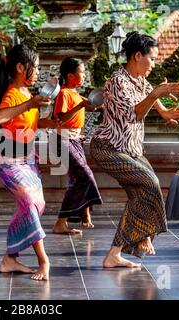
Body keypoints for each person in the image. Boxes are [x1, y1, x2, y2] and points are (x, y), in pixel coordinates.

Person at [89, 32, 179, 268]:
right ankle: (141, 238)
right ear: (137, 55)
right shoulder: (117, 81)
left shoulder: (141, 81)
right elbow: (136, 113)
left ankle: (119, 251)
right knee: (150, 183)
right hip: (108, 148)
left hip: (131, 150)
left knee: (143, 193)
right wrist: (154, 95)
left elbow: (159, 109)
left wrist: (170, 114)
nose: (154, 63)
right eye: (151, 58)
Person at [0, 44, 60, 281]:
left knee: (35, 205)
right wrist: (30, 105)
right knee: (29, 202)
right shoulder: (13, 94)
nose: (38, 72)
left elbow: (29, 123)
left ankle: (10, 258)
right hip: (7, 158)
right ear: (21, 67)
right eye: (36, 67)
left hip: (26, 158)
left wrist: (50, 123)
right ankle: (44, 260)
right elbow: (0, 117)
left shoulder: (27, 95)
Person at [51, 57, 102, 235]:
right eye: (82, 72)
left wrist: (93, 105)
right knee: (84, 175)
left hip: (76, 140)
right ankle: (62, 222)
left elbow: (91, 105)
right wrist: (79, 105)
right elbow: (59, 118)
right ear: (71, 75)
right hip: (63, 140)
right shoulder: (64, 94)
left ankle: (81, 214)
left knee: (78, 178)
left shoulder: (74, 93)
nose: (84, 75)